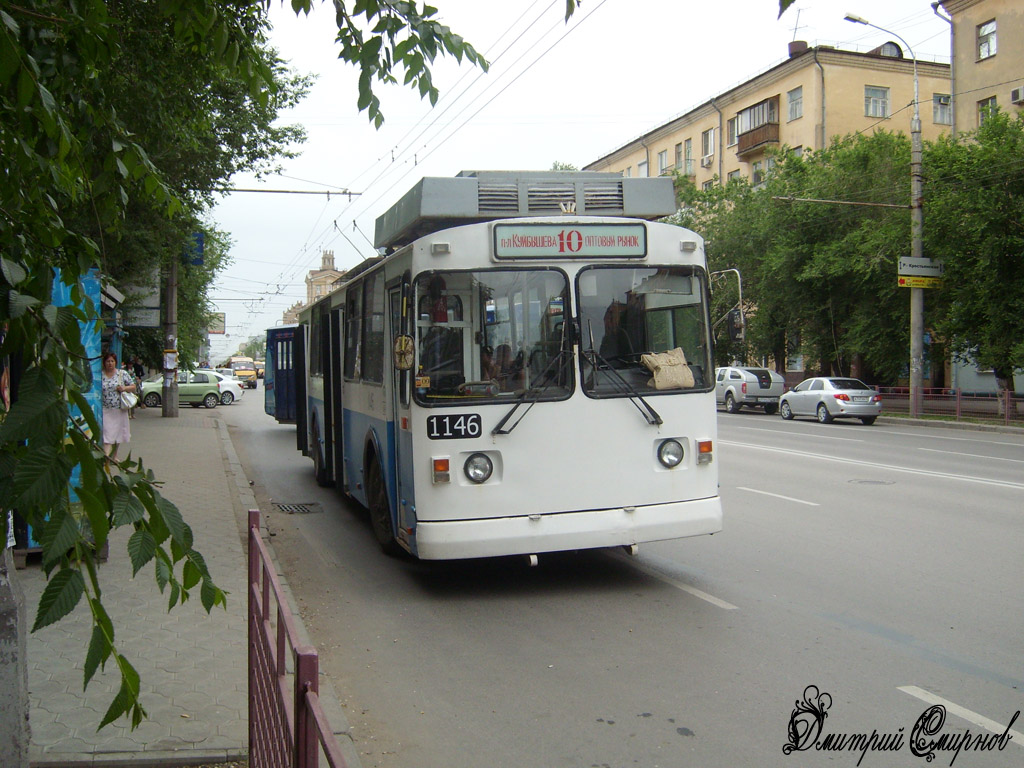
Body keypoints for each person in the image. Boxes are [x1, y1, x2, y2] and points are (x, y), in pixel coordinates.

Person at [101, 351, 135, 461]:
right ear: (104, 363)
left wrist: (124, 388)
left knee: (118, 434)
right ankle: (106, 456)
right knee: (107, 434)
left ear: (115, 362)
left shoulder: (122, 373)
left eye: (112, 361)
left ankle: (114, 455)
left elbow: (133, 386)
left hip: (119, 409)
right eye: (108, 361)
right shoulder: (100, 375)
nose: (110, 363)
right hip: (105, 409)